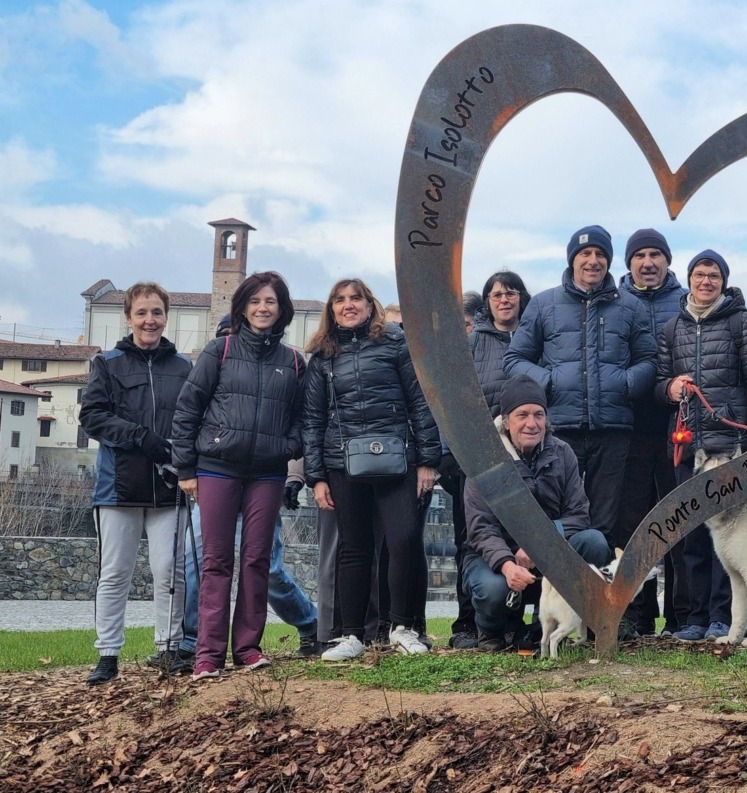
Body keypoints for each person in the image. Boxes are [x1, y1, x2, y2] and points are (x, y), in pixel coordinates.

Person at [171, 271, 308, 679]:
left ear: (281, 309)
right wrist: (185, 469)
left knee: (256, 561)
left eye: (271, 302)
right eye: (256, 301)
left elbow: (303, 420)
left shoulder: (294, 361)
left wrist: (287, 448)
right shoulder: (220, 350)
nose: (263, 308)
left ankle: (247, 648)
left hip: (267, 475)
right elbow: (187, 410)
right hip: (216, 471)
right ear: (244, 307)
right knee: (215, 561)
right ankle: (207, 654)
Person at [302, 278, 441, 662]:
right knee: (354, 548)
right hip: (341, 464)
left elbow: (421, 402)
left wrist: (428, 461)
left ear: (369, 304)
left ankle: (402, 627)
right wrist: (315, 477)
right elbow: (312, 420)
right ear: (331, 309)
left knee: (404, 539)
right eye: (340, 300)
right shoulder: (321, 357)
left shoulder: (395, 343)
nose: (349, 305)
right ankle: (351, 635)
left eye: (356, 298)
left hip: (397, 459)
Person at [505, 225, 658, 546]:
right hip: (559, 430)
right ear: (572, 259)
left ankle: (595, 591)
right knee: (554, 515)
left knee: (605, 522)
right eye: (585, 254)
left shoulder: (631, 307)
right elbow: (515, 359)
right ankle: (550, 593)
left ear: (609, 261)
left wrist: (625, 384)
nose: (593, 261)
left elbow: (649, 361)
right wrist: (550, 384)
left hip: (613, 431)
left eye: (600, 254)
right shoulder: (544, 305)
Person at [656, 249, 747, 642]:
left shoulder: (743, 323)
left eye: (713, 275)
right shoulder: (671, 327)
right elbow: (659, 384)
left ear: (723, 281)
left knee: (733, 536)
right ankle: (694, 618)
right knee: (692, 534)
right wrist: (670, 388)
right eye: (699, 275)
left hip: (732, 446)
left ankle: (723, 618)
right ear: (689, 279)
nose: (705, 281)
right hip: (689, 448)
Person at [80, 282, 193, 684]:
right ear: (128, 317)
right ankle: (108, 655)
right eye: (142, 312)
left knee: (170, 572)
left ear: (166, 317)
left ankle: (169, 648)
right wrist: (140, 437)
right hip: (117, 488)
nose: (150, 320)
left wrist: (183, 458)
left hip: (169, 488)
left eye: (157, 312)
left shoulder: (184, 368)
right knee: (115, 573)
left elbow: (192, 421)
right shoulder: (107, 363)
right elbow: (92, 417)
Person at [462, 375, 611, 651]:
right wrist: (507, 564)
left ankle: (562, 628)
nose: (532, 423)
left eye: (538, 415)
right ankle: (491, 632)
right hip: (497, 558)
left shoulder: (563, 453)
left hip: (549, 554)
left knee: (594, 543)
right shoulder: (484, 461)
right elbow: (480, 528)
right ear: (506, 421)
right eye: (522, 415)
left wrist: (539, 544)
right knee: (492, 590)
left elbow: (579, 514)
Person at [444, 270, 531, 650]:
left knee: (526, 539)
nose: (505, 299)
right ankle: (469, 622)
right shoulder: (472, 343)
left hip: (527, 460)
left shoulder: (532, 338)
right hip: (479, 460)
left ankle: (519, 624)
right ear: (488, 301)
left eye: (511, 293)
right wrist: (454, 453)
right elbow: (453, 399)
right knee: (473, 539)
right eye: (497, 294)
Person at [616, 229, 688, 639]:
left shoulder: (684, 300)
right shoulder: (616, 301)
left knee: (679, 518)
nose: (648, 262)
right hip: (628, 427)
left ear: (667, 260)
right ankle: (636, 613)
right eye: (640, 255)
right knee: (631, 526)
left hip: (677, 425)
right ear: (629, 263)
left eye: (655, 254)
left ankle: (682, 614)